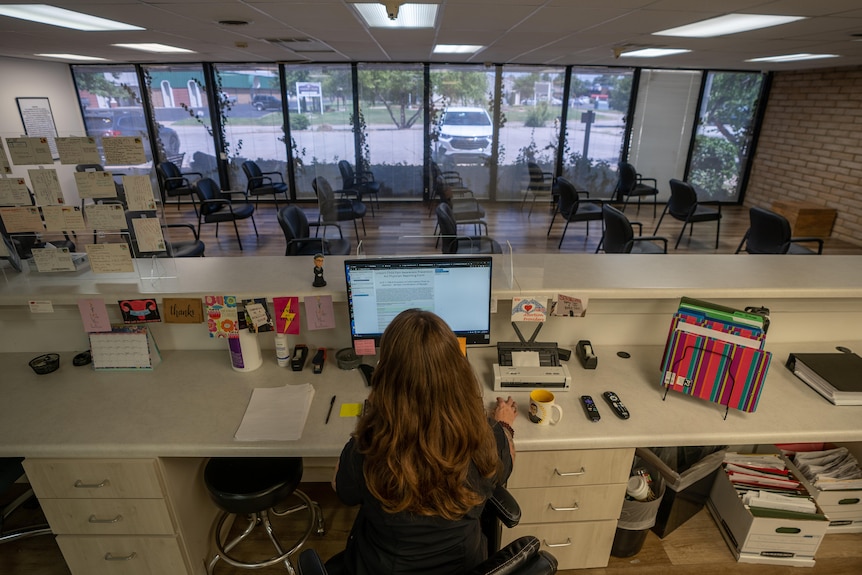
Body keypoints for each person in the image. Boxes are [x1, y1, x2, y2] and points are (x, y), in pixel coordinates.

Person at [330, 309, 517, 575]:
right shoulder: (488, 437)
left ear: (385, 373)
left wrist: (372, 418)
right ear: (458, 370)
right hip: (464, 565)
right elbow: (506, 465)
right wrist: (505, 425)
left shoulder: (369, 445)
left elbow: (342, 490)